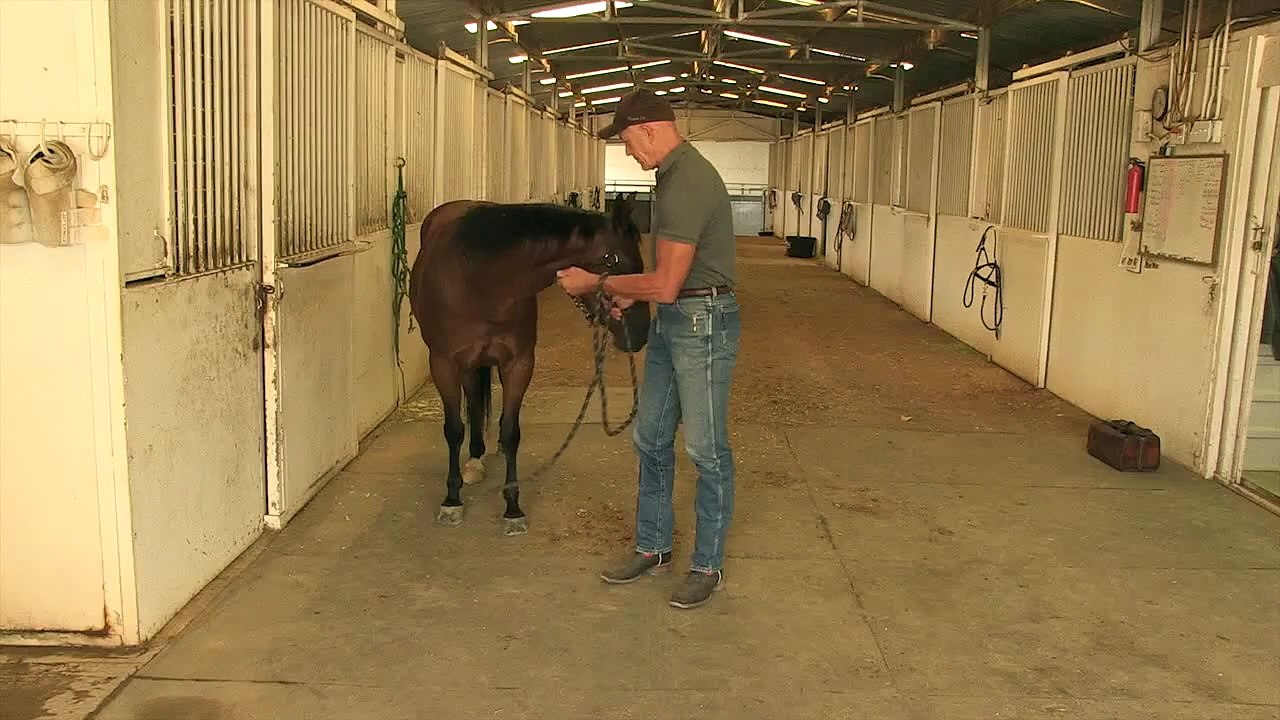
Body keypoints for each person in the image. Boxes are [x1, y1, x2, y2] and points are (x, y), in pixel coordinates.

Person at [555, 89, 740, 609]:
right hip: (678, 318)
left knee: (705, 448)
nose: (629, 152)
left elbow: (665, 283)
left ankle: (707, 564)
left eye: (628, 141)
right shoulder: (673, 177)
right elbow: (665, 283)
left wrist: (597, 283)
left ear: (650, 129)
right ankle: (654, 545)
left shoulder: (688, 181)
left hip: (701, 323)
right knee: (651, 436)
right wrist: (627, 293)